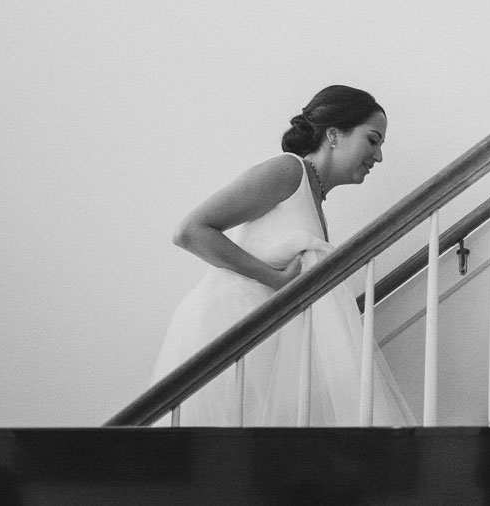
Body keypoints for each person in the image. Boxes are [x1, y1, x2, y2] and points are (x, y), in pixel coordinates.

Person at [150, 85, 411, 426]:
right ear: (334, 134)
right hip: (226, 331)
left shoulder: (316, 200)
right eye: (372, 140)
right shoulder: (288, 172)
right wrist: (274, 279)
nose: (378, 157)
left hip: (261, 348)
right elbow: (191, 231)